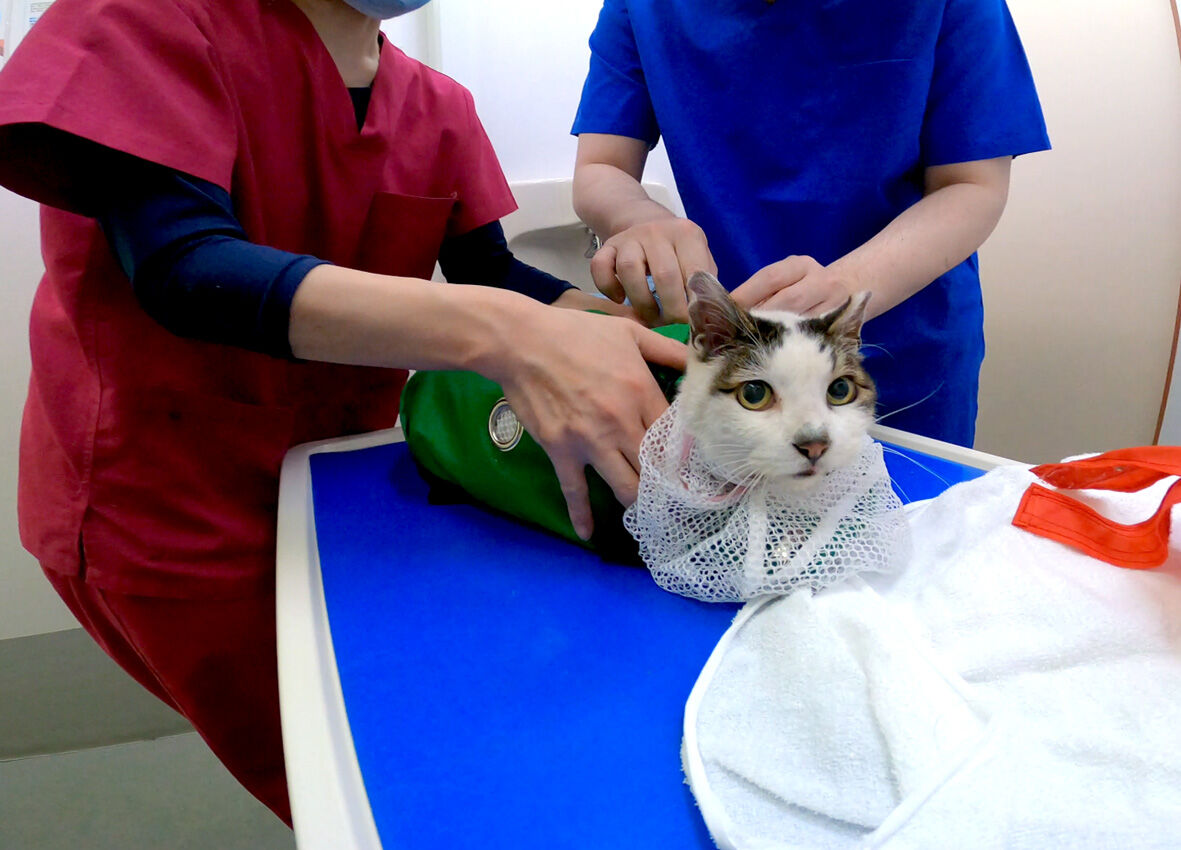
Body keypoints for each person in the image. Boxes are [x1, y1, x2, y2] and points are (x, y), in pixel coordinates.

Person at [0, 0, 685, 826]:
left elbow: (491, 275)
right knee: (360, 789)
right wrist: (508, 335)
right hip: (168, 509)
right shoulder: (147, 20)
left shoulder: (436, 106)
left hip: (344, 504)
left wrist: (652, 334)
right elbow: (182, 266)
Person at [571, 0, 1050, 447]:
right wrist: (641, 219)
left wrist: (847, 288)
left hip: (899, 349)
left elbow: (971, 186)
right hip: (733, 364)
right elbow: (602, 166)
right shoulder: (646, 10)